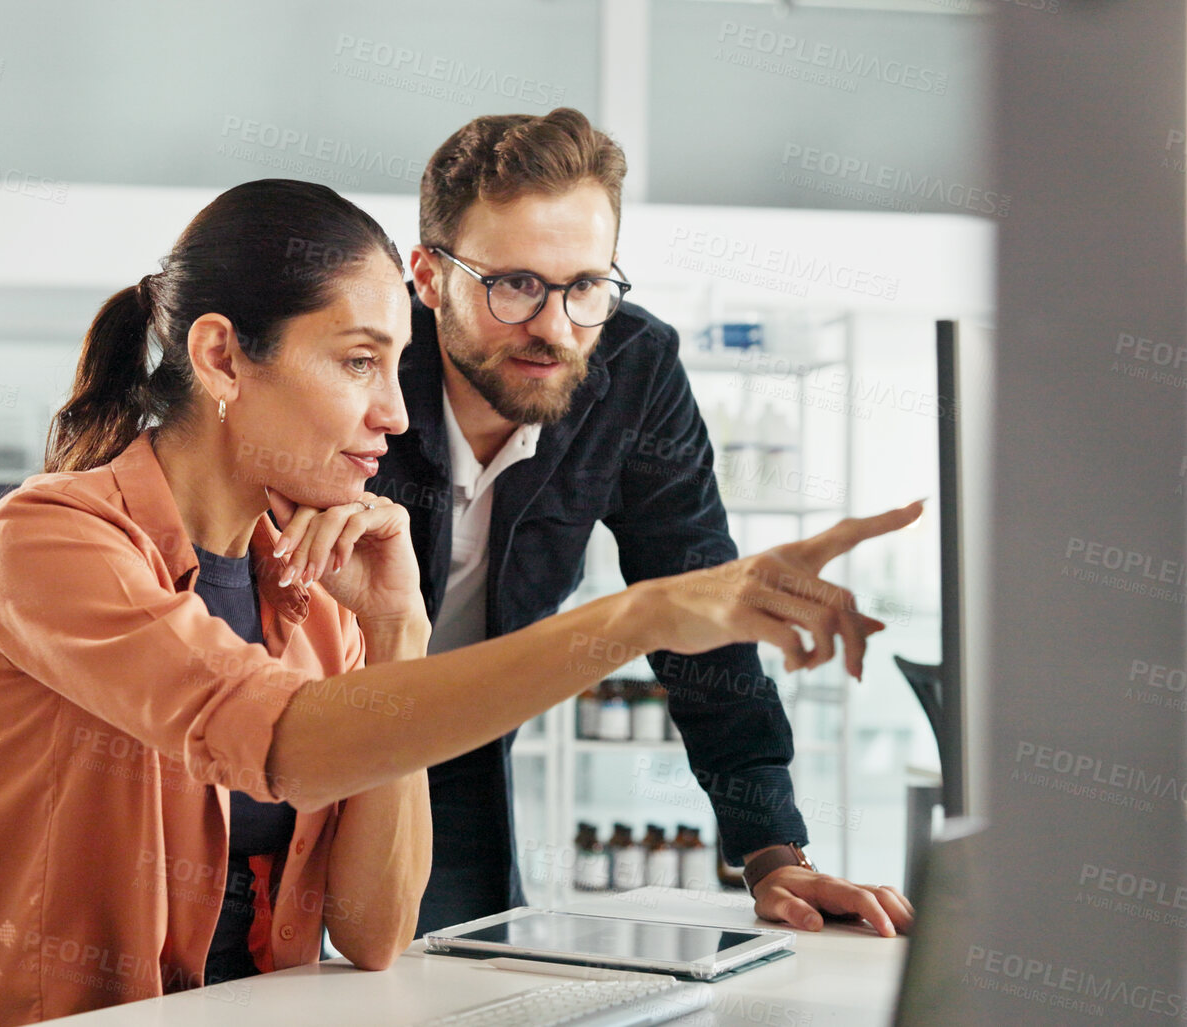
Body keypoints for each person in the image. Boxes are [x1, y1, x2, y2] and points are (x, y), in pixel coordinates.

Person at [0, 177, 919, 1025]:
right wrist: (639, 616)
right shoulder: (50, 541)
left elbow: (372, 932)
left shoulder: (313, 594)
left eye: (393, 364)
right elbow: (283, 742)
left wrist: (398, 628)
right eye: (358, 361)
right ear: (222, 357)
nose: (397, 413)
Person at [371, 107, 916, 940]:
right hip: (289, 724)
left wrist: (773, 853)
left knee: (450, 978)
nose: (554, 328)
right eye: (513, 284)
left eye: (585, 286)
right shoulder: (359, 353)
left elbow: (698, 604)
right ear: (427, 275)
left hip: (453, 745)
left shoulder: (632, 367)